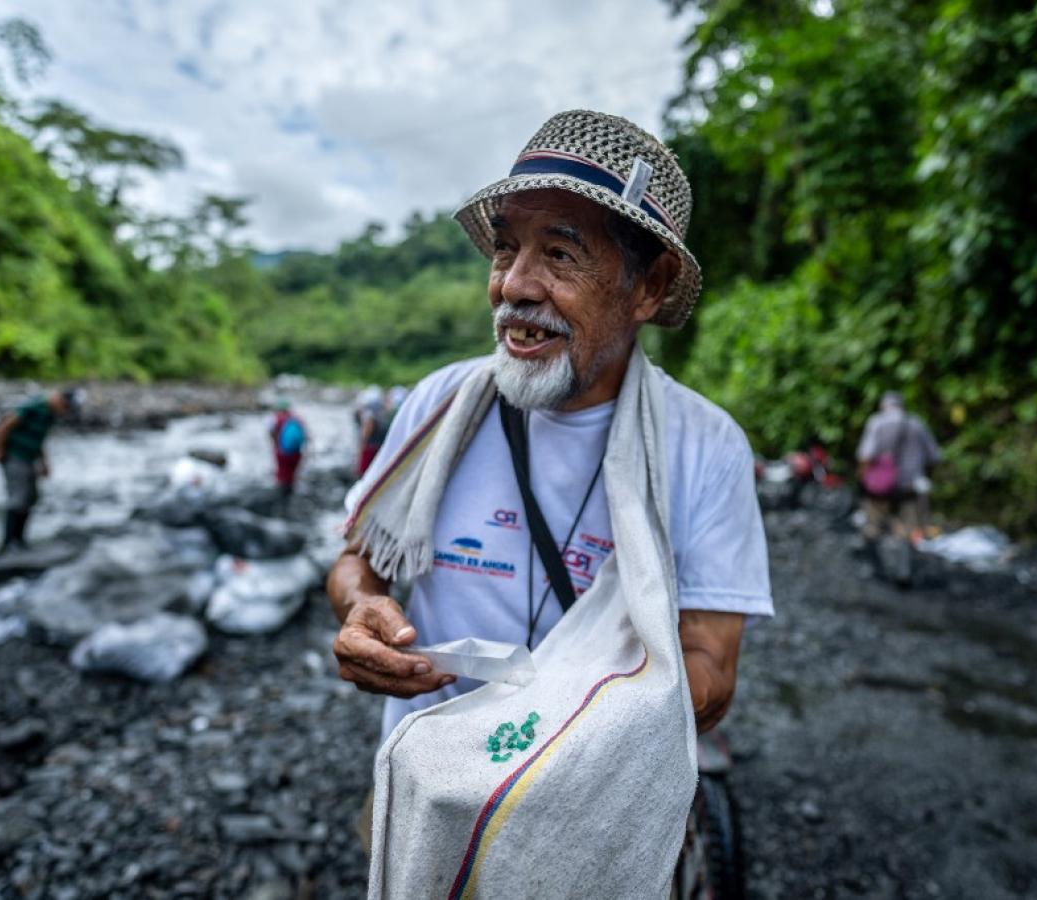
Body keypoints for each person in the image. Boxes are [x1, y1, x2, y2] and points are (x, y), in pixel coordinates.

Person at [327, 111, 772, 856]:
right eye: (506, 250)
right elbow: (355, 560)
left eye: (560, 254)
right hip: (427, 791)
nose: (514, 286)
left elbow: (711, 670)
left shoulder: (705, 446)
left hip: (598, 808)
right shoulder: (438, 404)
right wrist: (362, 606)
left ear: (649, 287)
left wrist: (562, 722)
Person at [0, 388, 83, 551]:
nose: (66, 411)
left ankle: (19, 540)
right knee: (18, 497)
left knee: (31, 497)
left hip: (29, 459)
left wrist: (44, 462)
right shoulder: (35, 406)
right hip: (15, 457)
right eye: (66, 407)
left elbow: (38, 439)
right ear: (60, 399)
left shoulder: (49, 415)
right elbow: (4, 427)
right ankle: (9, 543)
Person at [856, 390, 942, 547]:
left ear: (883, 406)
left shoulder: (877, 423)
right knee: (912, 533)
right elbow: (934, 457)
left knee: (874, 530)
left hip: (881, 487)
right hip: (912, 485)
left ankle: (880, 567)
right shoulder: (917, 423)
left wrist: (863, 481)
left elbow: (866, 456)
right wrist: (926, 476)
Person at [268, 398, 308, 506]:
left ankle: (282, 499)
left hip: (282, 453)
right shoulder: (297, 419)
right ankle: (290, 495)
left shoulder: (276, 419)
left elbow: (271, 433)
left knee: (282, 474)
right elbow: (306, 436)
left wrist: (275, 446)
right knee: (292, 474)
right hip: (296, 453)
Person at [353, 385, 390, 478]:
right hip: (378, 445)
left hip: (370, 447)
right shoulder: (380, 413)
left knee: (366, 473)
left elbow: (367, 429)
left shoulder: (369, 414)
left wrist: (362, 444)